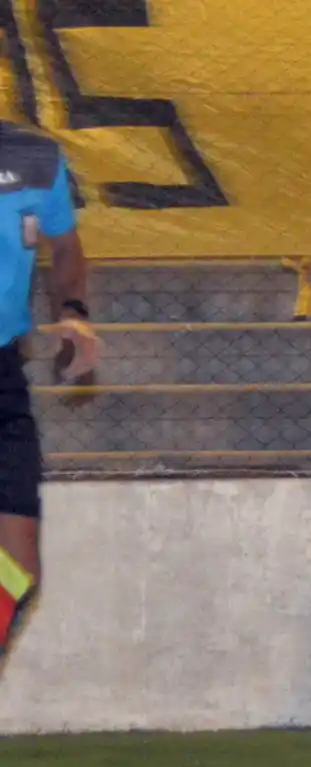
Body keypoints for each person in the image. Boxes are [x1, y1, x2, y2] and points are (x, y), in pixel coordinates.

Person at [0, 121, 100, 660]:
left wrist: (74, 313)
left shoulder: (35, 158)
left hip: (3, 373)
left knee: (19, 570)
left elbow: (65, 248)